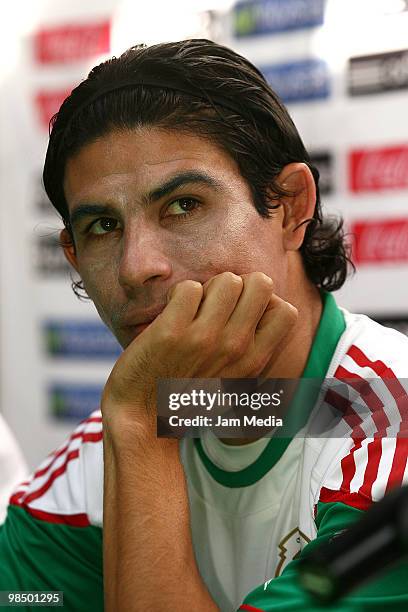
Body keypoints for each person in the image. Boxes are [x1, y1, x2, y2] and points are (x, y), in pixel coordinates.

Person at [0, 39, 407, 611]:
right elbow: (29, 599)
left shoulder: (392, 430)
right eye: (102, 226)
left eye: (184, 205)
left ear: (290, 206)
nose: (137, 266)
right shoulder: (85, 471)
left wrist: (144, 424)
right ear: (72, 256)